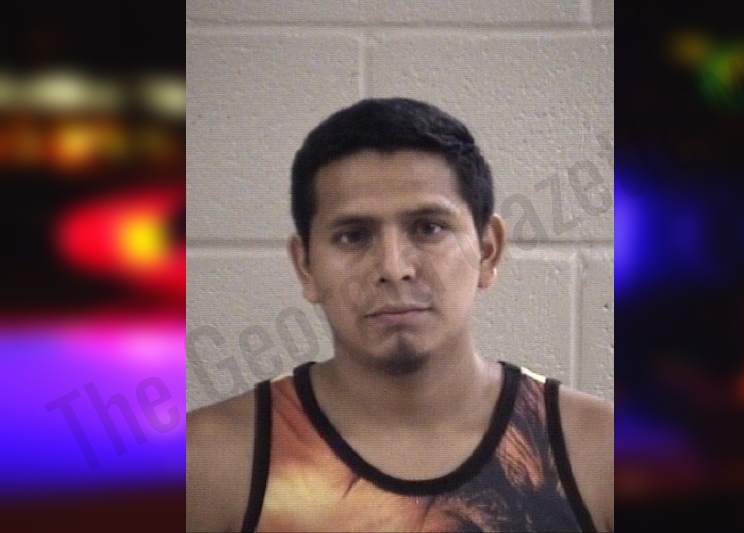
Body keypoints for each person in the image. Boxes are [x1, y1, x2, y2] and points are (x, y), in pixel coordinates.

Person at [186, 98, 614, 532]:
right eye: (353, 236)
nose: (393, 267)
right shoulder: (207, 462)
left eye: (429, 228)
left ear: (487, 251)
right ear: (306, 266)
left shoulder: (602, 452)